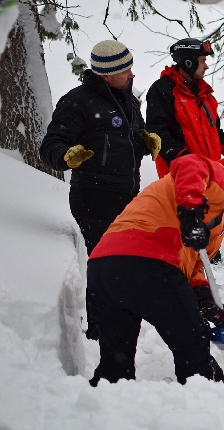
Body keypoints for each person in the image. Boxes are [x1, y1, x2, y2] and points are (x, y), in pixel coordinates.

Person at [86, 154, 224, 386]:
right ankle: (209, 406)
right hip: (148, 263)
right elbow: (190, 163)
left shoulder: (188, 197)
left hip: (103, 267)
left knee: (115, 370)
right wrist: (191, 214)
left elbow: (191, 263)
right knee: (194, 348)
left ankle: (103, 412)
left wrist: (203, 294)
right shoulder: (220, 182)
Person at [39, 40, 160, 340]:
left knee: (125, 262)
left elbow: (125, 139)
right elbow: (50, 147)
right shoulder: (77, 102)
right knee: (105, 265)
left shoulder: (128, 101)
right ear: (107, 74)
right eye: (126, 69)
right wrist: (66, 156)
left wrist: (144, 142)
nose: (133, 74)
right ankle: (101, 329)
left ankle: (119, 320)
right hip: (93, 200)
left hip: (127, 197)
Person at [146, 38, 224, 178]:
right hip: (181, 179)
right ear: (189, 62)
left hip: (209, 177)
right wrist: (184, 159)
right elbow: (157, 134)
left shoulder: (205, 96)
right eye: (203, 61)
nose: (206, 66)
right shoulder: (164, 89)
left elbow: (216, 134)